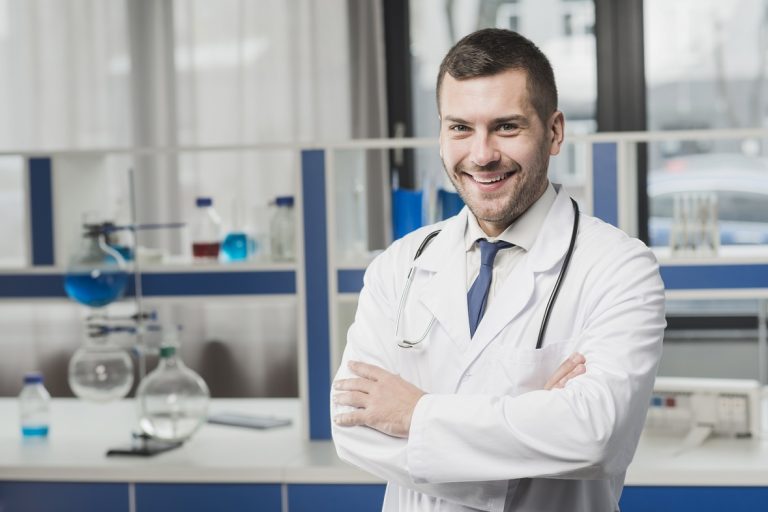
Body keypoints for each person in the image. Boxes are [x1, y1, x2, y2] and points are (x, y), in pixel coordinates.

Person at [331, 28, 665, 512]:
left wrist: (414, 413)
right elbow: (353, 426)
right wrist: (532, 432)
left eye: (506, 127)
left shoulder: (619, 268)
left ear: (553, 132)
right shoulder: (400, 264)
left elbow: (594, 436)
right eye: (460, 127)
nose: (482, 155)